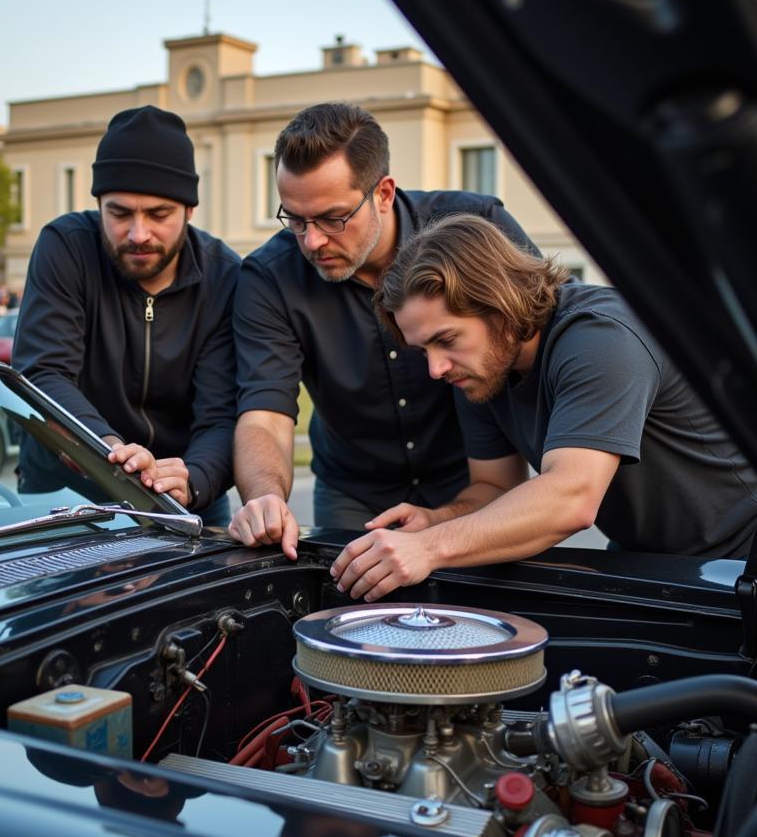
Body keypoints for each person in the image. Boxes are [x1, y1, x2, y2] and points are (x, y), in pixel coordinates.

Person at [329, 214, 757, 601]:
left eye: (446, 340)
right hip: (653, 555)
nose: (435, 369)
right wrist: (436, 522)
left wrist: (429, 550)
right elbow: (494, 488)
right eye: (424, 350)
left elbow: (570, 498)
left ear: (497, 305)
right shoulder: (483, 370)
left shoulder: (600, 337)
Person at [228, 102, 538, 558]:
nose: (312, 241)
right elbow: (265, 413)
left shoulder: (479, 228)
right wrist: (264, 495)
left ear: (384, 193)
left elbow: (540, 341)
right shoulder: (269, 277)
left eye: (333, 218)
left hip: (479, 481)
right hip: (353, 494)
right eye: (295, 219)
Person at [12, 105, 240, 523]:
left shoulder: (225, 274)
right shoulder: (64, 247)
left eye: (158, 214)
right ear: (99, 203)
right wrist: (107, 449)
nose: (138, 234)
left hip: (184, 494)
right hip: (65, 492)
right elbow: (44, 371)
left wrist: (197, 477)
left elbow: (222, 410)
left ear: (190, 210)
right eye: (119, 213)